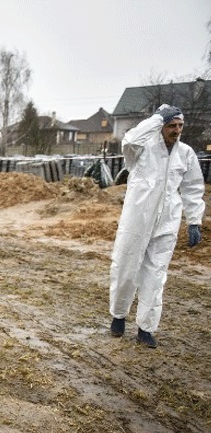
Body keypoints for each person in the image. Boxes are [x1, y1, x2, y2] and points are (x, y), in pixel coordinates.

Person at [109, 104, 206, 348]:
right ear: (161, 126)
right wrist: (156, 118)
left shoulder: (186, 154)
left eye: (180, 126)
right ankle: (119, 315)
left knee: (156, 274)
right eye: (171, 125)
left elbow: (193, 188)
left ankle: (146, 328)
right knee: (126, 267)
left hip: (167, 222)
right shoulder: (142, 149)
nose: (176, 130)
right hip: (137, 219)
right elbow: (129, 141)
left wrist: (194, 220)